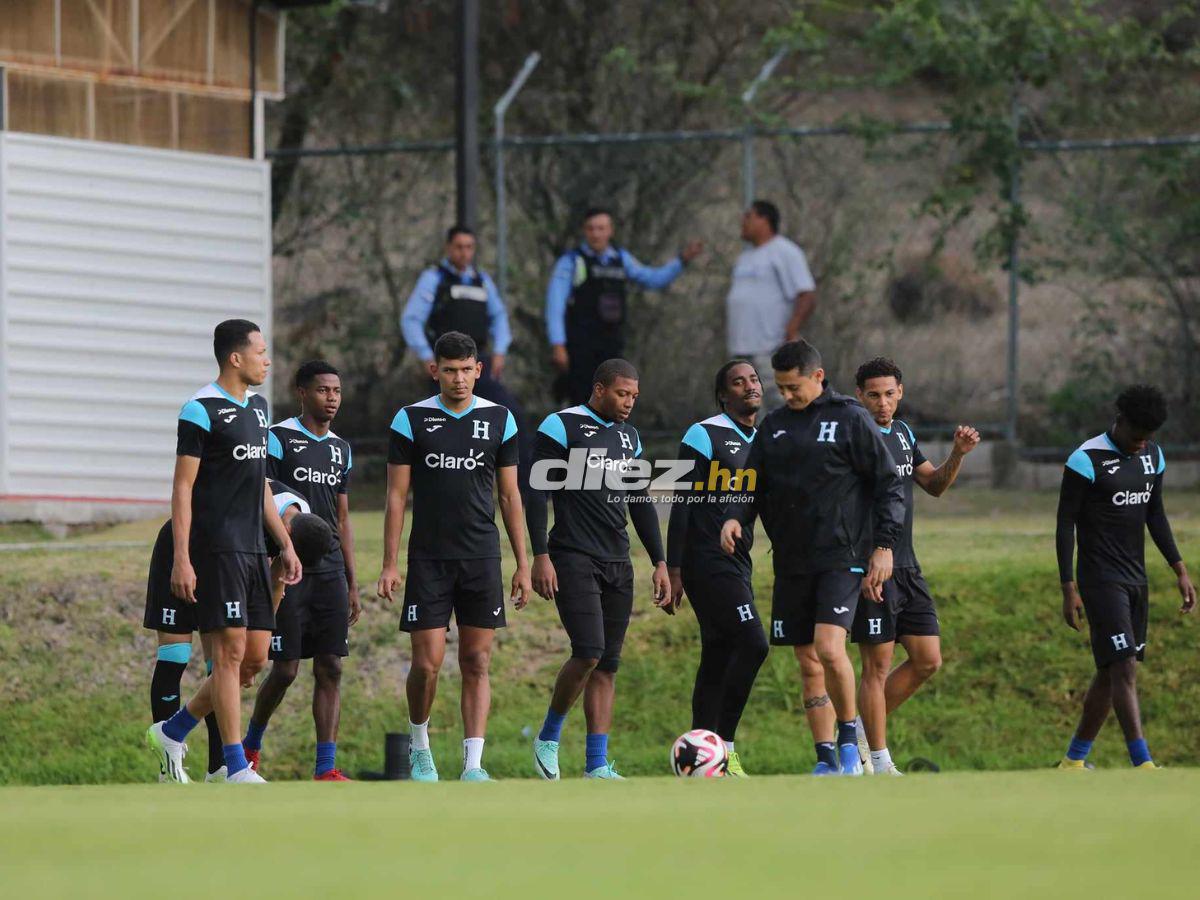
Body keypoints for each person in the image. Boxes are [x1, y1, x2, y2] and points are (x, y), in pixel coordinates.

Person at [720, 340, 903, 776]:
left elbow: (888, 485)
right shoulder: (775, 426)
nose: (787, 395)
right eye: (780, 387)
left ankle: (847, 741)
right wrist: (734, 519)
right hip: (791, 560)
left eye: (794, 386)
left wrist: (884, 546)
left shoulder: (850, 419)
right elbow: (752, 485)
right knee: (807, 660)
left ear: (817, 377)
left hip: (841, 556)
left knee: (828, 646)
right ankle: (825, 758)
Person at [145, 320, 303, 784]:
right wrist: (181, 557)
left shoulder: (259, 410)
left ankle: (174, 730)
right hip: (215, 549)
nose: (266, 360)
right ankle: (235, 766)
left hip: (254, 549)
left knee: (254, 659)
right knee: (230, 654)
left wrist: (287, 544)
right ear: (236, 358)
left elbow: (260, 490)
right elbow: (182, 487)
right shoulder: (199, 410)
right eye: (260, 352)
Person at [377, 331, 531, 782]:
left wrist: (522, 563)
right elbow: (396, 496)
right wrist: (390, 562)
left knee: (477, 661)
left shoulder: (500, 419)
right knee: (426, 665)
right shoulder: (411, 419)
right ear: (435, 371)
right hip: (429, 559)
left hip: (482, 557)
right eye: (450, 370)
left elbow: (510, 497)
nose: (459, 379)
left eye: (466, 370)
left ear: (478, 370)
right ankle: (420, 747)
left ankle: (473, 764)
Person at [527, 358, 673, 780]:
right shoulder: (562, 426)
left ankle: (596, 764)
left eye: (634, 396)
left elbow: (641, 500)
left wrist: (659, 561)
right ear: (599, 390)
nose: (629, 403)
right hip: (573, 555)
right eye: (622, 394)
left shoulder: (630, 437)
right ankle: (549, 738)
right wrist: (540, 556)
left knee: (608, 663)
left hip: (618, 559)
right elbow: (537, 494)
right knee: (588, 651)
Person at [143, 480, 326, 781]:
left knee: (225, 663)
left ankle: (217, 764)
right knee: (176, 655)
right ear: (286, 534)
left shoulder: (303, 520)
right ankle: (168, 767)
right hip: (182, 551)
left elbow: (277, 582)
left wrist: (257, 643)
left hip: (225, 566)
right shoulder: (253, 500)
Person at [849, 357, 980, 776]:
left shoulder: (903, 433)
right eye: (874, 395)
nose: (882, 403)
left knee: (927, 659)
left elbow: (934, 485)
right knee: (877, 666)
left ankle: (855, 736)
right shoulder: (854, 438)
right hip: (874, 568)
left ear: (900, 393)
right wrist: (865, 562)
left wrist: (957, 455)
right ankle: (880, 760)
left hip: (908, 567)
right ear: (859, 397)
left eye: (889, 394)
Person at [1056, 384, 1195, 771]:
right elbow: (1065, 525)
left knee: (1110, 670)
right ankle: (1143, 762)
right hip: (1100, 579)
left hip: (1137, 578)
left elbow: (1156, 516)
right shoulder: (1086, 459)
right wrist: (1069, 587)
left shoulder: (1153, 457)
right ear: (1120, 421)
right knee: (1125, 665)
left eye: (1147, 438)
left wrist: (1179, 569)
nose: (1140, 444)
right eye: (1136, 436)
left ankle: (1073, 761)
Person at [242, 361, 359, 782]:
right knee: (286, 669)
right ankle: (250, 748)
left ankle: (326, 767)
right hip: (286, 565)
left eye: (337, 391)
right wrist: (279, 553)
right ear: (302, 393)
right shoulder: (278, 439)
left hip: (328, 571)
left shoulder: (341, 449)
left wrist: (351, 581)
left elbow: (343, 520)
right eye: (324, 390)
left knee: (331, 666)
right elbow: (263, 496)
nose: (332, 398)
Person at [666, 360, 768, 777]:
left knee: (719, 653)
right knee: (754, 643)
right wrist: (673, 569)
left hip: (739, 564)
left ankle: (699, 758)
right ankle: (723, 746)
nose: (749, 386)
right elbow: (681, 503)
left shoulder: (765, 441)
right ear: (724, 395)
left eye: (754, 379)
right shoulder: (704, 433)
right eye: (738, 382)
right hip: (706, 561)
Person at [401, 226, 531, 490]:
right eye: (459, 247)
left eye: (469, 247)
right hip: (446, 365)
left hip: (476, 363)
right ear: (449, 248)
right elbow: (411, 319)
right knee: (434, 431)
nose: (464, 252)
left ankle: (525, 491)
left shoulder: (482, 280)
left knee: (512, 416)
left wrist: (500, 350)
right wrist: (428, 357)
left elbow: (499, 317)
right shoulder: (434, 278)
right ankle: (426, 490)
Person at [545, 207, 702, 404]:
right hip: (581, 346)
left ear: (610, 230)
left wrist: (682, 260)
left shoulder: (621, 259)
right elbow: (555, 305)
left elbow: (652, 279)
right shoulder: (572, 262)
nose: (596, 234)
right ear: (585, 231)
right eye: (591, 229)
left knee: (612, 400)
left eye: (601, 228)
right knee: (582, 400)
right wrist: (558, 345)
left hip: (611, 343)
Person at [725, 200, 817, 408]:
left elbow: (806, 294)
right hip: (740, 350)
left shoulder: (785, 252)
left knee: (782, 405)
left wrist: (791, 329)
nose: (743, 222)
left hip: (769, 349)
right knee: (747, 411)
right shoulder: (745, 258)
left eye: (749, 217)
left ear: (764, 220)